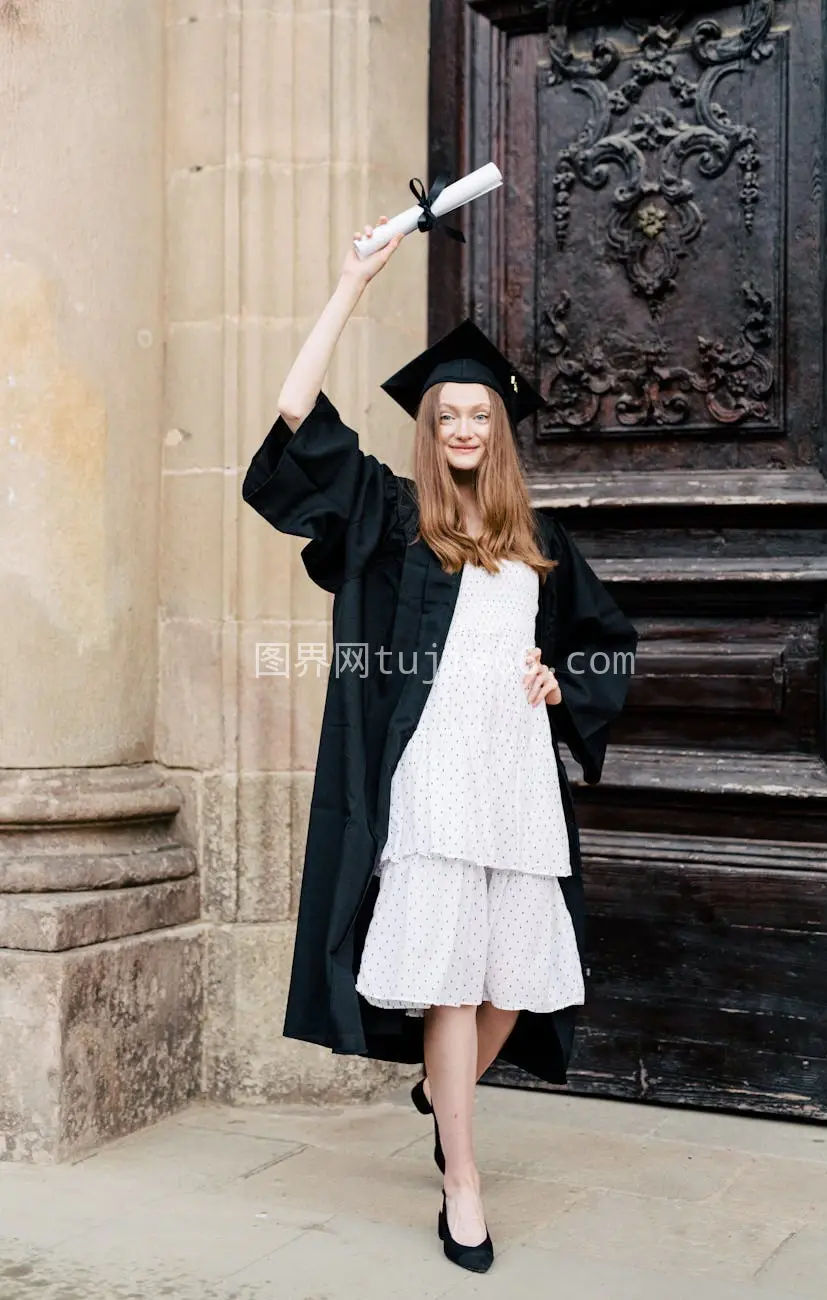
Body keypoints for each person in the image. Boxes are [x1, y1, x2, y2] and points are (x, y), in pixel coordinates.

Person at [242, 216, 637, 1274]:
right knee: (454, 988)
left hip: (514, 783)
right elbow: (293, 419)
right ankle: (462, 1183)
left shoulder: (540, 546)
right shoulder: (391, 513)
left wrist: (563, 683)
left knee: (520, 974)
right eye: (448, 412)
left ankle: (437, 1086)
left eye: (480, 413)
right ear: (429, 426)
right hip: (431, 780)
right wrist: (349, 286)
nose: (464, 425)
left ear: (500, 430)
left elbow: (605, 648)